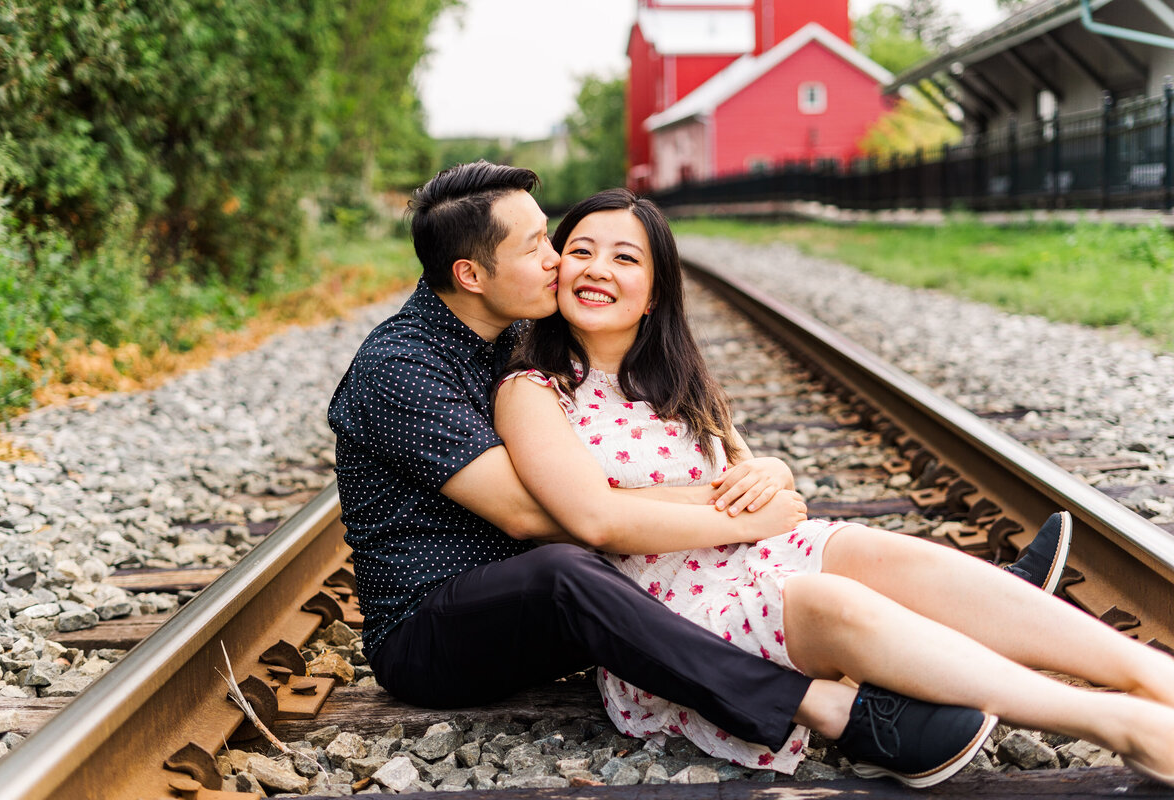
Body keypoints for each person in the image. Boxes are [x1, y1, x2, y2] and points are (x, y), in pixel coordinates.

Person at [328, 162, 1068, 789]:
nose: (560, 260)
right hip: (436, 632)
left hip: (576, 598)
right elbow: (532, 514)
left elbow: (627, 448)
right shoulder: (401, 369)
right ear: (471, 274)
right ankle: (831, 711)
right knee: (570, 565)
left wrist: (757, 472)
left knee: (685, 562)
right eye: (538, 249)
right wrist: (725, 510)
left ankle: (973, 610)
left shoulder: (514, 329)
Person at [491, 186, 1174, 787]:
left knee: (874, 551)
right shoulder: (535, 392)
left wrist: (775, 474)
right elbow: (597, 522)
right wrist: (745, 520)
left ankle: (1150, 676)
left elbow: (757, 477)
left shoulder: (676, 381)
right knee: (826, 597)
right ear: (557, 270)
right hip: (671, 625)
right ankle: (1116, 722)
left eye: (626, 258)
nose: (598, 270)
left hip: (755, 563)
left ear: (657, 291)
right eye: (580, 251)